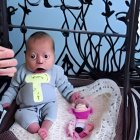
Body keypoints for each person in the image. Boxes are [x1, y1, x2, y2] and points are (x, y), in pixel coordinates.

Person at [0, 31, 82, 140]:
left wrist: (72, 95)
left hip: (48, 104)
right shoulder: (22, 71)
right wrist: (6, 100)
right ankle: (35, 127)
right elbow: (13, 88)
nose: (39, 61)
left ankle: (45, 127)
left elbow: (64, 85)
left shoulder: (56, 71)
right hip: (27, 107)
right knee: (23, 118)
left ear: (54, 57)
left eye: (46, 56)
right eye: (33, 56)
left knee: (52, 111)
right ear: (25, 56)